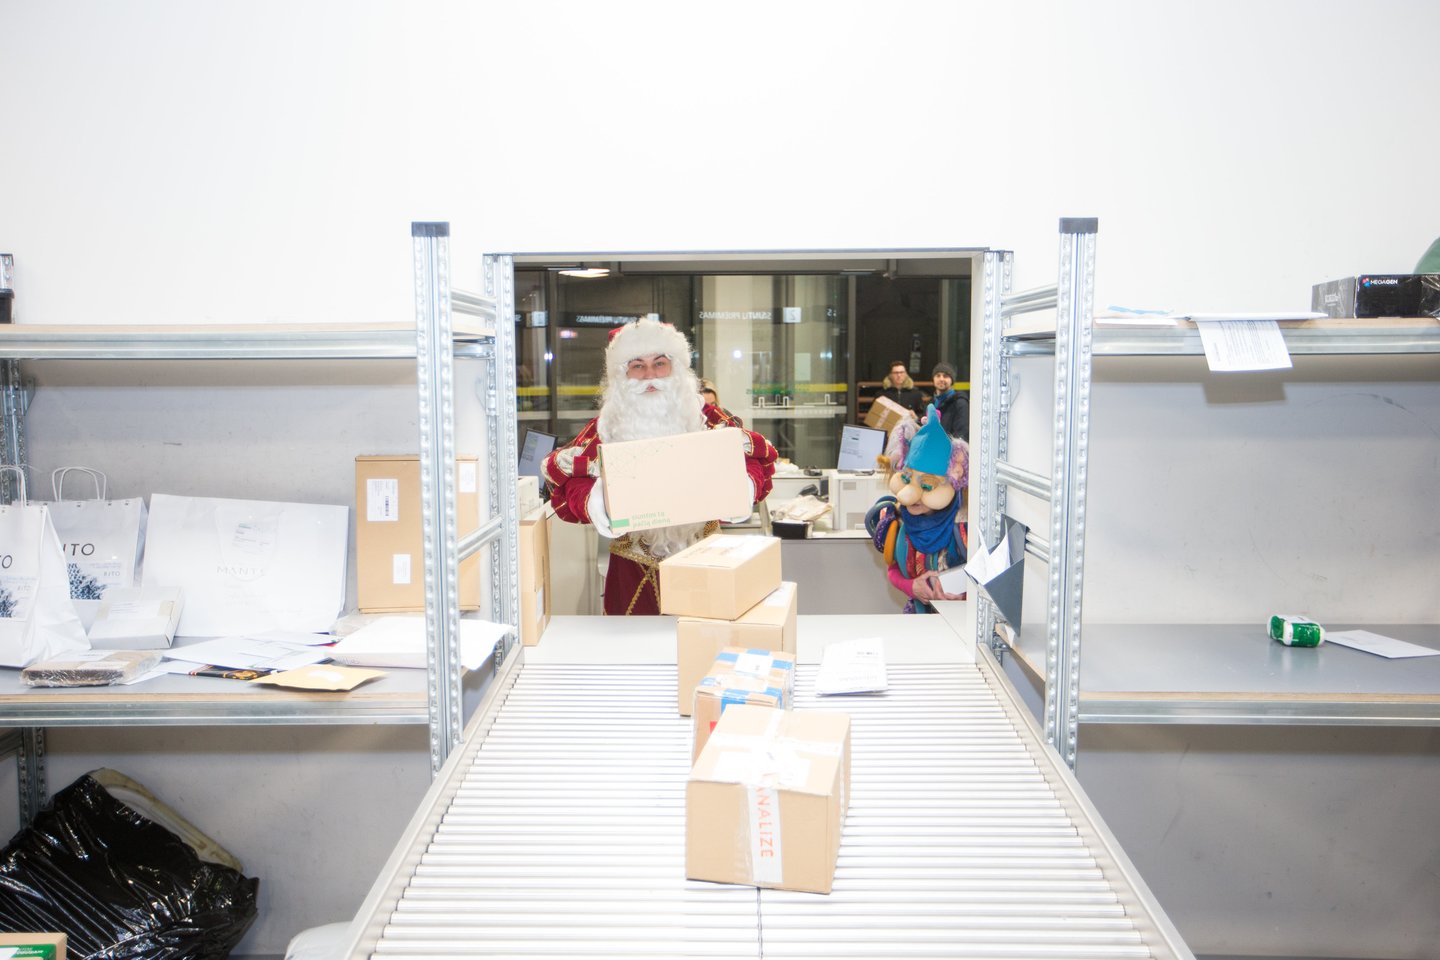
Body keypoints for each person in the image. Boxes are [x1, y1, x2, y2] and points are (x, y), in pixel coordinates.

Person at [542, 318, 778, 615]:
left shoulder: (704, 417)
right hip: (632, 570)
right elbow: (565, 478)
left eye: (659, 363)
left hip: (704, 559)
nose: (650, 375)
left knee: (701, 637)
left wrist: (743, 488)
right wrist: (594, 501)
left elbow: (757, 458)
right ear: (622, 373)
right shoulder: (608, 426)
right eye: (637, 365)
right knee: (636, 642)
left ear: (675, 367)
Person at [864, 406, 968, 613]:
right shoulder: (899, 520)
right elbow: (893, 569)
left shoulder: (966, 526)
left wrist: (963, 595)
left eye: (927, 486)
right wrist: (911, 586)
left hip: (962, 620)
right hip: (919, 618)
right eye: (906, 479)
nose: (908, 496)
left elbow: (988, 578)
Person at [928, 361, 969, 441]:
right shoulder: (931, 404)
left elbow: (962, 433)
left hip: (950, 447)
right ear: (933, 379)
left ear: (952, 380)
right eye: (938, 375)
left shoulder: (960, 403)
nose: (941, 379)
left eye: (945, 376)